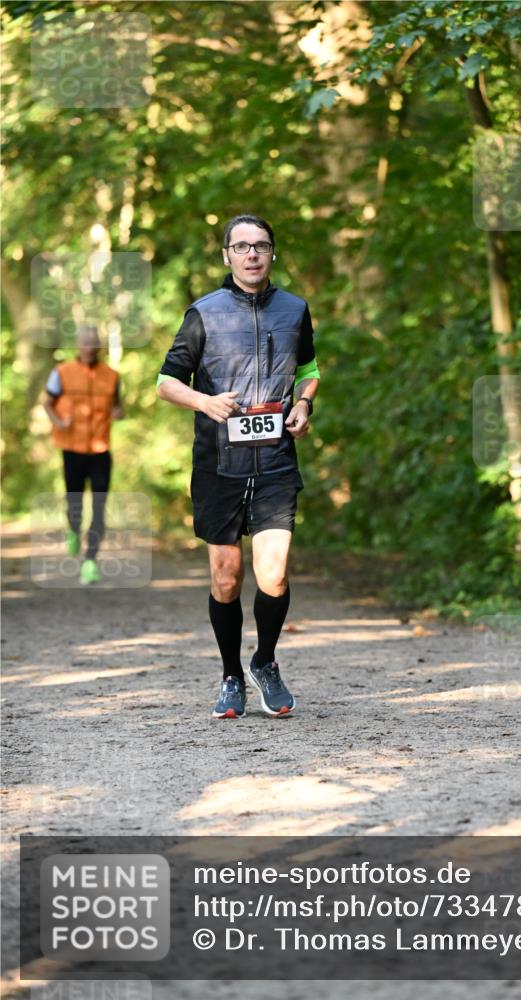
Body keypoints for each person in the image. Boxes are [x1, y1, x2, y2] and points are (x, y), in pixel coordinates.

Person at [156, 214, 320, 720]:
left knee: (274, 573)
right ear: (226, 255)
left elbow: (309, 369)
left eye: (261, 246)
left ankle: (264, 662)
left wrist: (304, 403)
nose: (252, 254)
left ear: (272, 253)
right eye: (242, 246)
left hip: (274, 461)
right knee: (227, 578)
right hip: (218, 464)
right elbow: (166, 382)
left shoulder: (295, 310)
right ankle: (231, 675)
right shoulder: (203, 313)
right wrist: (204, 402)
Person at [43, 325, 124, 585]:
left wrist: (118, 413)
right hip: (72, 450)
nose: (89, 347)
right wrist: (59, 422)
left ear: (99, 345)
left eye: (93, 342)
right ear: (78, 344)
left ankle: (90, 561)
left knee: (99, 506)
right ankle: (74, 529)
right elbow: (47, 403)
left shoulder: (112, 376)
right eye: (85, 342)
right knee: (74, 503)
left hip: (100, 450)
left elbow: (119, 406)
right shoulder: (61, 373)